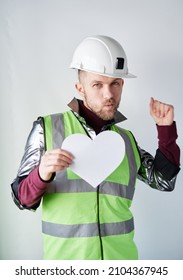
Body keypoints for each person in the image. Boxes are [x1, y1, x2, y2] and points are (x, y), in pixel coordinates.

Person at [11, 35, 180, 260]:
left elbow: (164, 181)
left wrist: (165, 130)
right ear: (80, 87)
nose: (108, 94)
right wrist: (41, 174)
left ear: (122, 84)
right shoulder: (48, 128)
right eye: (97, 85)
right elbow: (21, 199)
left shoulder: (126, 141)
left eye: (115, 84)